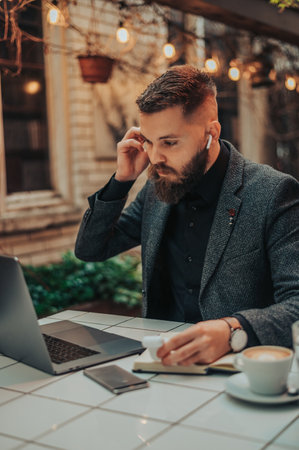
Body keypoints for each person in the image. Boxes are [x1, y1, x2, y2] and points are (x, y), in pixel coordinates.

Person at [75, 64, 299, 366]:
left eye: (169, 142)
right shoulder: (157, 189)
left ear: (211, 133)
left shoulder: (273, 193)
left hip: (238, 369)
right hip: (161, 362)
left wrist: (233, 330)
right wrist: (121, 181)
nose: (155, 158)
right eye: (149, 142)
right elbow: (91, 249)